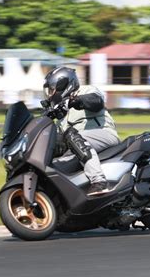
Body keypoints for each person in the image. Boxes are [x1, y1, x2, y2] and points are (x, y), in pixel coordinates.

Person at [43, 66, 120, 196]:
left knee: (71, 134)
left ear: (62, 86)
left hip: (104, 134)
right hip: (79, 145)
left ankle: (99, 182)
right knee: (53, 161)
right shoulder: (60, 112)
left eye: (51, 90)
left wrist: (74, 101)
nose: (49, 94)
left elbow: (96, 101)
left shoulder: (85, 90)